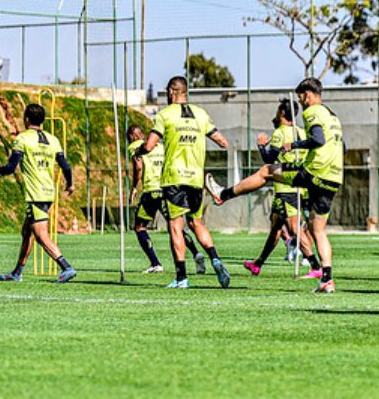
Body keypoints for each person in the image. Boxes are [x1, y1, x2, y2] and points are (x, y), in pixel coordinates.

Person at [205, 77, 343, 293]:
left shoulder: (312, 112)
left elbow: (318, 139)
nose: (301, 102)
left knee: (266, 171)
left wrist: (293, 145)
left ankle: (223, 194)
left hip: (315, 172)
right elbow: (342, 147)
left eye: (301, 97)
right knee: (318, 230)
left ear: (307, 94)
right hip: (334, 177)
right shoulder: (333, 116)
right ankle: (326, 278)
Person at [136, 76, 232, 289]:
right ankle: (215, 258)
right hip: (196, 179)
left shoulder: (165, 115)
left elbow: (150, 145)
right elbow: (223, 142)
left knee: (175, 228)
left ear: (171, 92)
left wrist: (139, 150)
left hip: (174, 179)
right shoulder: (200, 114)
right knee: (196, 223)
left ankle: (181, 277)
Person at [0, 103, 77, 283]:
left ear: (26, 119)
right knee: (27, 232)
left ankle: (66, 267)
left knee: (41, 235)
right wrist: (70, 185)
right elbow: (66, 167)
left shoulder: (22, 139)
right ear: (43, 120)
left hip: (36, 194)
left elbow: (11, 167)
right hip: (49, 193)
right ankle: (17, 272)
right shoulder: (53, 140)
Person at [243, 101, 315, 276]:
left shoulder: (279, 133)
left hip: (285, 188)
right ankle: (258, 264)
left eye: (277, 111)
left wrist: (261, 145)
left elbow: (269, 159)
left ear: (282, 113)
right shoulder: (301, 132)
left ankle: (316, 266)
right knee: (276, 227)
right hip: (299, 186)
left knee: (294, 229)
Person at [126, 125, 207, 275]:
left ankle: (155, 263)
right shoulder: (161, 146)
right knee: (176, 228)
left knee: (139, 226)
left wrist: (134, 188)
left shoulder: (135, 146)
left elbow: (138, 167)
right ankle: (197, 254)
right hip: (167, 189)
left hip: (151, 190)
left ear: (131, 136)